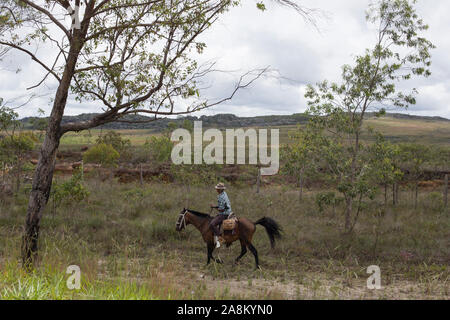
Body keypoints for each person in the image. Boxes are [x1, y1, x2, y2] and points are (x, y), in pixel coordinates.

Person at [210, 182, 232, 248]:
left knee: (212, 224)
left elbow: (221, 209)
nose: (216, 190)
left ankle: (220, 238)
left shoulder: (221, 197)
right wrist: (215, 207)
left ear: (220, 190)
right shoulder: (224, 194)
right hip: (228, 211)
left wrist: (214, 207)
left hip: (224, 214)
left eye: (217, 189)